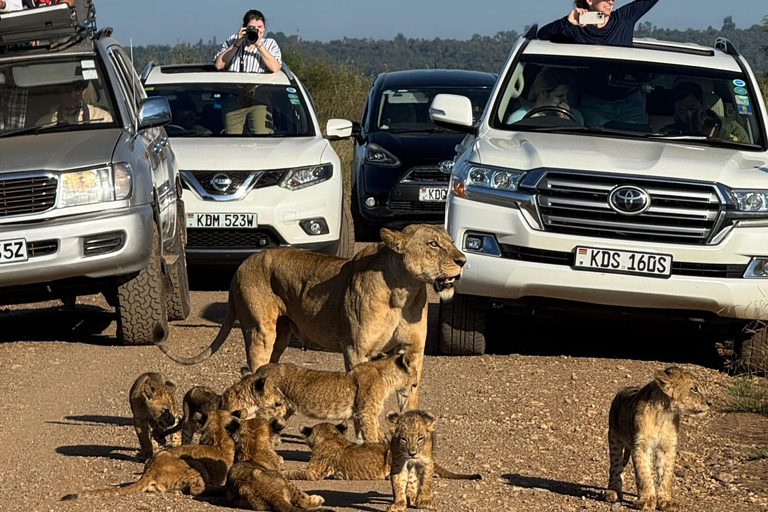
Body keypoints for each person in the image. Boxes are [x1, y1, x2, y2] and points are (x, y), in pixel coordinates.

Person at [537, 0, 659, 48]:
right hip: (591, 99)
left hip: (628, 97)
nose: (611, 2)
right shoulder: (575, 28)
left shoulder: (623, 18)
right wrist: (567, 21)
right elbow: (542, 35)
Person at [661, 81, 748, 142]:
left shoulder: (733, 132)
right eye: (682, 112)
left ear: (703, 101)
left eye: (692, 109)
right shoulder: (669, 134)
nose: (689, 115)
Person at [506, 67, 584, 124]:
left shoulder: (575, 116)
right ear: (543, 93)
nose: (565, 101)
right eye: (559, 96)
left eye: (566, 95)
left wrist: (567, 121)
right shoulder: (518, 119)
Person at [214, 10, 281, 73]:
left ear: (264, 28)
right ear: (244, 28)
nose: (256, 31)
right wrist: (237, 43)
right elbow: (219, 65)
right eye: (252, 28)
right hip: (233, 83)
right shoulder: (233, 40)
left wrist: (258, 44)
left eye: (259, 27)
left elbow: (275, 68)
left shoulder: (270, 44)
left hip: (259, 84)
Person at [36, 80, 112, 125]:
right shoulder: (45, 123)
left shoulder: (102, 119)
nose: (72, 96)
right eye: (67, 90)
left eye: (77, 90)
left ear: (84, 91)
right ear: (59, 92)